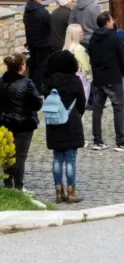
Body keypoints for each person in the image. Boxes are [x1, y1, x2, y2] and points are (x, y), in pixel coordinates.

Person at [42, 50, 86, 203]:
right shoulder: (75, 81)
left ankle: (58, 191)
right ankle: (71, 191)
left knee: (57, 158)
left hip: (54, 122)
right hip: (71, 121)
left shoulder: (49, 82)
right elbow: (82, 103)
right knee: (70, 158)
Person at [87, 12, 124, 151]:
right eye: (111, 20)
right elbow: (122, 56)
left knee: (97, 109)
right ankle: (120, 141)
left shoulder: (93, 38)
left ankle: (97, 140)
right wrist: (122, 71)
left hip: (98, 77)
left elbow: (91, 55)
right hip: (112, 77)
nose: (113, 22)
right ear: (107, 22)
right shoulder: (114, 37)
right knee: (118, 108)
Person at [0, 54, 42, 191]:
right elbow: (37, 103)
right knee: (20, 156)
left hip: (5, 122)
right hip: (23, 123)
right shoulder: (27, 83)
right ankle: (19, 185)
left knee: (8, 153)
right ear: (21, 66)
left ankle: (7, 183)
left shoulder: (1, 81)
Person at [23, 0, 52, 87]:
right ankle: (37, 88)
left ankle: (30, 85)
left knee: (33, 64)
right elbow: (49, 24)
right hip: (43, 43)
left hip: (31, 42)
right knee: (41, 66)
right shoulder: (41, 11)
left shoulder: (27, 10)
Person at [63, 24, 90, 100]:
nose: (83, 33)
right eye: (81, 32)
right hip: (81, 79)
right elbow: (86, 67)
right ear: (76, 34)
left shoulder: (66, 47)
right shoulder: (79, 48)